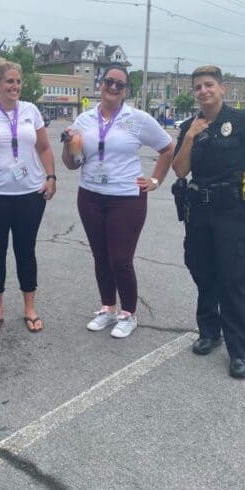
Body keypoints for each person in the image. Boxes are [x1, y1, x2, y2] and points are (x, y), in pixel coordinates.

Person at [61, 64, 173, 339]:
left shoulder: (138, 119)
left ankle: (129, 313)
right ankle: (108, 308)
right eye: (108, 81)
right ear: (100, 84)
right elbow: (72, 164)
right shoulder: (84, 120)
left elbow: (168, 147)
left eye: (119, 85)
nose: (112, 87)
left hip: (126, 199)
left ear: (125, 91)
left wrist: (156, 180)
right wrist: (67, 144)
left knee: (120, 259)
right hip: (90, 196)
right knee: (100, 256)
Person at [171, 65, 245, 379]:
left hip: (231, 213)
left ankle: (239, 351)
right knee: (203, 273)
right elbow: (179, 171)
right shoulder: (189, 125)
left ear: (222, 88)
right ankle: (210, 332)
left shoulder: (242, 123)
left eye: (209, 85)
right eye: (198, 86)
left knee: (232, 279)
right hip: (198, 212)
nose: (203, 91)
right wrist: (189, 137)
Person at [0, 56, 57, 335]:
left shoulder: (30, 111)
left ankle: (29, 307)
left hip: (30, 192)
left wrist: (51, 176)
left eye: (18, 82)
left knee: (26, 250)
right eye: (9, 82)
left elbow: (44, 148)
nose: (15, 87)